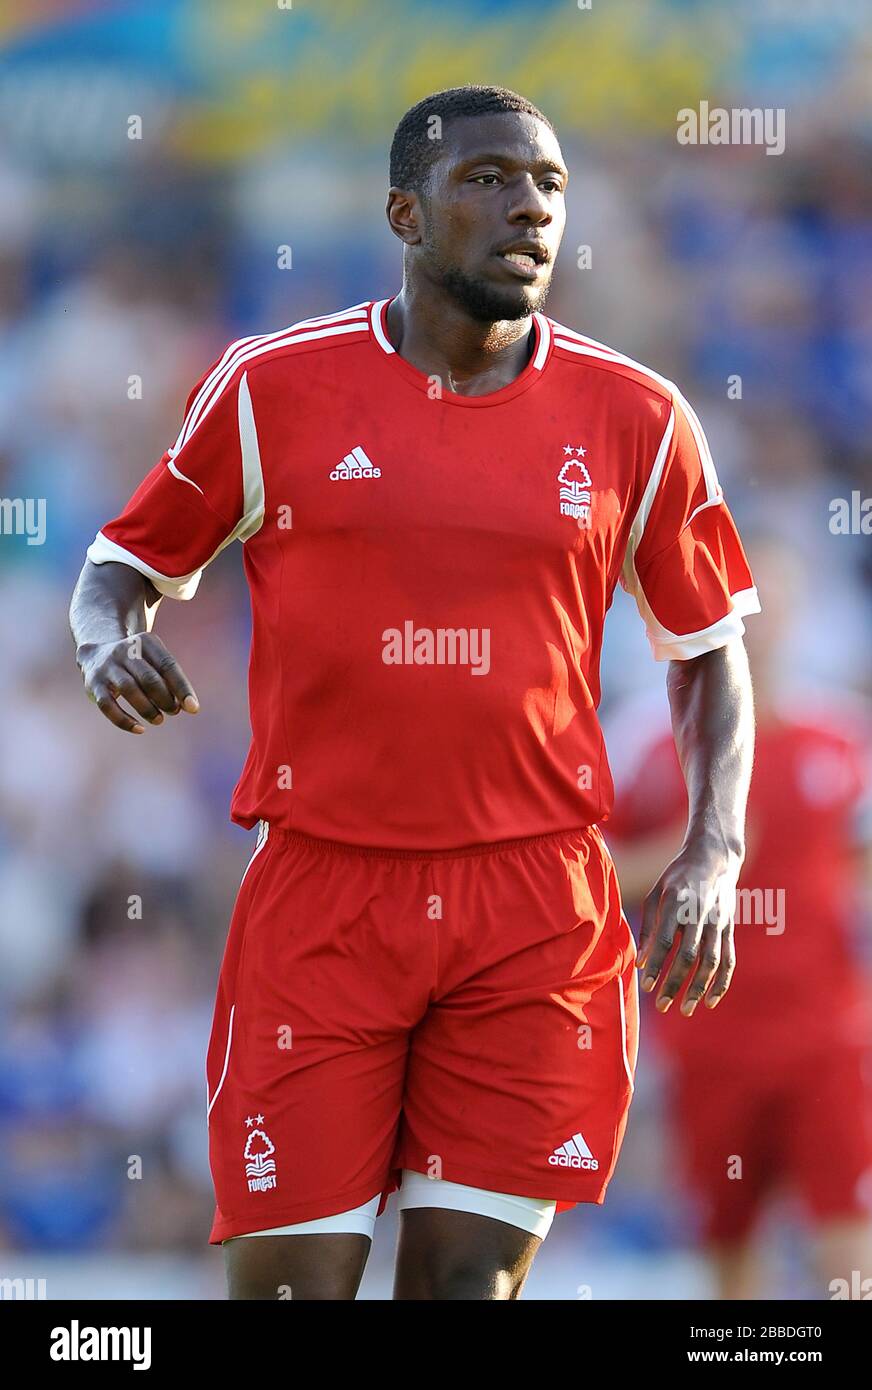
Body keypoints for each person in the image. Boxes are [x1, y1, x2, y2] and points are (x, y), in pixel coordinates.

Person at [69, 85, 759, 1300]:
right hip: (326, 896)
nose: (527, 207)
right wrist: (105, 640)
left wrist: (711, 853)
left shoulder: (638, 417)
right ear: (404, 211)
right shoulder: (269, 387)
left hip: (533, 904)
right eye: (486, 180)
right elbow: (121, 568)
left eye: (546, 183)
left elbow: (705, 651)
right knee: (290, 1289)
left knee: (461, 1288)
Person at [606, 535, 872, 1299]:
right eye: (746, 597)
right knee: (728, 1251)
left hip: (824, 1044)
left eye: (777, 596)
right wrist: (693, 854)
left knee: (848, 1255)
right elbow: (589, 873)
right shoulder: (647, 742)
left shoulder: (841, 741)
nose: (763, 616)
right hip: (707, 1042)